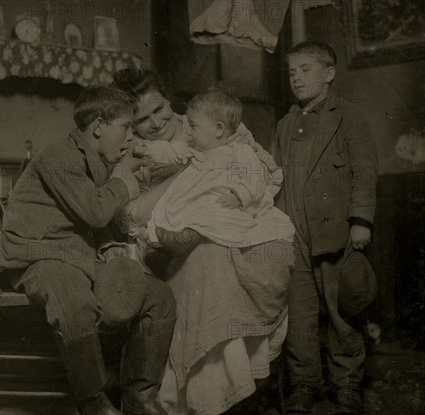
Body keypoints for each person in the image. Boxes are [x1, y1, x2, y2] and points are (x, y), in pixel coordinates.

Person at [112, 70, 295, 414]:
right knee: (205, 266)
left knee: (238, 257)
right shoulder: (134, 150)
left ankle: (238, 384)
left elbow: (261, 174)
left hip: (228, 221)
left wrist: (233, 195)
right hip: (167, 238)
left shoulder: (208, 119)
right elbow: (129, 216)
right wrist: (189, 176)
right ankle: (203, 393)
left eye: (160, 109)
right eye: (141, 119)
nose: (154, 123)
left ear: (169, 99)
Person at [0, 85, 177, 415]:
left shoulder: (95, 161)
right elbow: (94, 211)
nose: (129, 137)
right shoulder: (59, 157)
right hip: (38, 256)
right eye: (124, 127)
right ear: (98, 126)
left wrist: (109, 246)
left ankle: (139, 396)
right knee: (76, 303)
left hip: (77, 257)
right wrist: (123, 182)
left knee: (160, 298)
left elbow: (95, 221)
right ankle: (94, 403)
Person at [274, 41, 378, 415]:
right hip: (295, 235)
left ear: (329, 74)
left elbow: (364, 172)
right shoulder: (286, 125)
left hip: (337, 233)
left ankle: (347, 384)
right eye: (291, 72)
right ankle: (304, 383)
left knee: (342, 312)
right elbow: (276, 180)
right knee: (298, 313)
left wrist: (361, 220)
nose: (296, 78)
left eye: (305, 70)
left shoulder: (349, 117)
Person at [145, 90, 295, 258]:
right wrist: (144, 149)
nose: (188, 132)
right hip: (198, 200)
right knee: (173, 210)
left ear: (218, 129)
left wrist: (239, 196)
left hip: (226, 203)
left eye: (193, 126)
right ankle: (165, 247)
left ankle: (187, 239)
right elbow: (171, 153)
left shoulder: (238, 151)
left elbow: (255, 179)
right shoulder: (195, 150)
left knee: (210, 214)